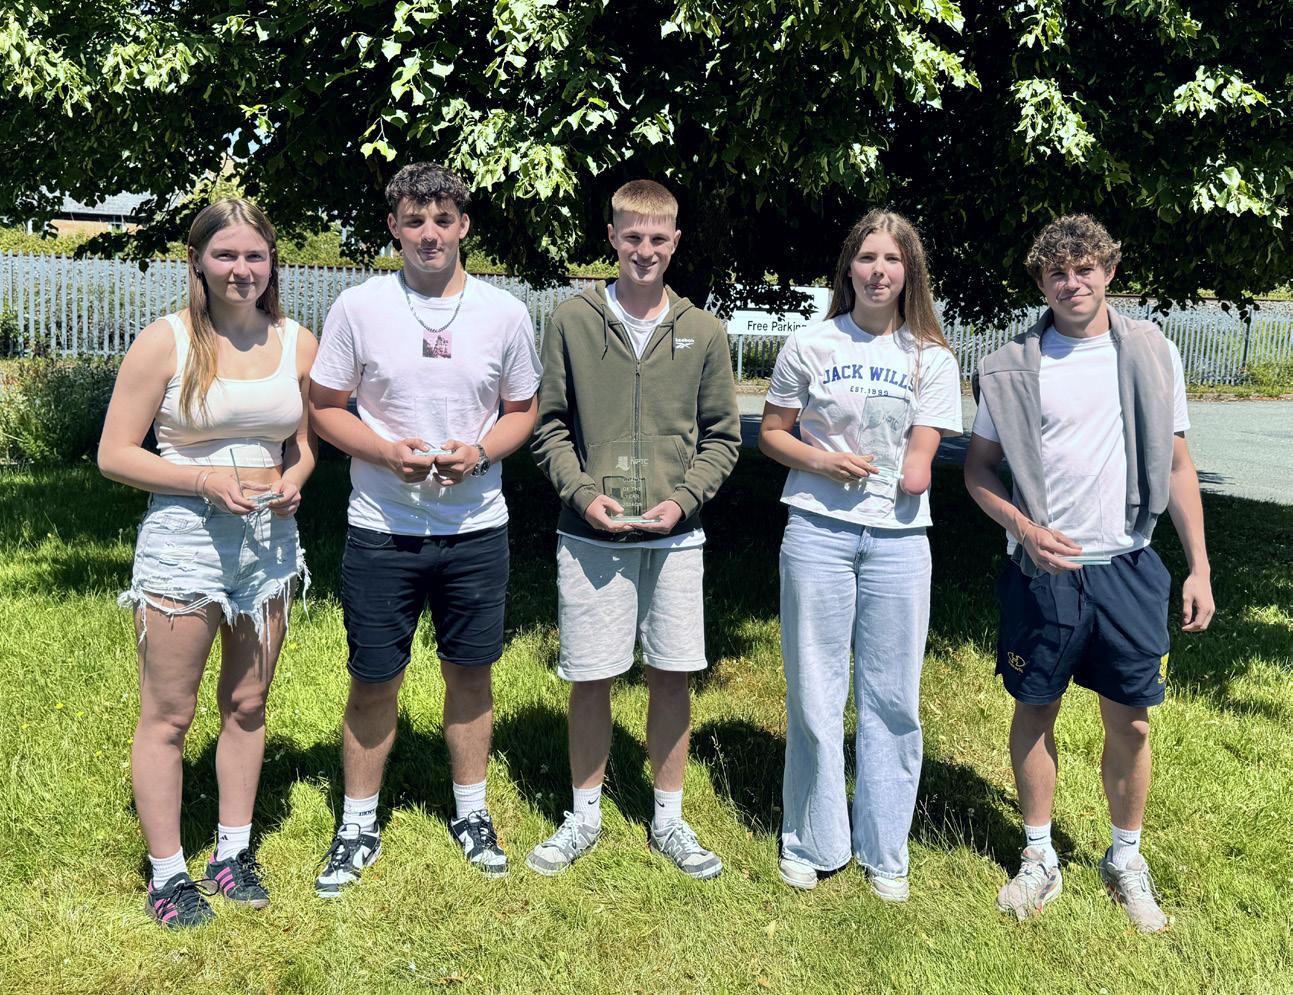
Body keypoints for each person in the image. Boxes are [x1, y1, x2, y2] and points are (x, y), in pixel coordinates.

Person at [963, 214, 1214, 932]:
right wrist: (1022, 528)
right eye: (1056, 272)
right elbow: (978, 471)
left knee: (1130, 721)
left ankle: (1124, 858)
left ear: (1108, 270)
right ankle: (1038, 854)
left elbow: (1176, 464)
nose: (1071, 282)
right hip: (1042, 569)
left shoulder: (1151, 351)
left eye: (1084, 268)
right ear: (1040, 283)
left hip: (1127, 564)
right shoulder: (1009, 367)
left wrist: (1199, 566)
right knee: (1034, 708)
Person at [307, 162, 541, 894]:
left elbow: (523, 410)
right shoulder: (359, 306)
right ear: (393, 228)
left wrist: (482, 453)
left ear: (464, 225)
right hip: (382, 526)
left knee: (470, 674)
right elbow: (324, 405)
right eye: (414, 221)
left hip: (476, 527)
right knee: (373, 677)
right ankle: (357, 822)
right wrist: (384, 452)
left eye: (443, 220)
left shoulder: (504, 313)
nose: (429, 234)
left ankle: (471, 811)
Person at [98, 198, 317, 928]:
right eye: (225, 255)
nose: (240, 269)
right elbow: (114, 454)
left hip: (269, 546)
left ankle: (232, 851)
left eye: (254, 255)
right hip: (184, 542)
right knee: (170, 713)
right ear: (196, 260)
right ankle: (167, 875)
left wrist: (294, 479)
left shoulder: (297, 342)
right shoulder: (164, 342)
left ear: (272, 262)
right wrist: (201, 479)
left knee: (248, 704)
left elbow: (302, 445)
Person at [528, 179, 740, 878]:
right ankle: (583, 815)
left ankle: (669, 818)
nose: (644, 250)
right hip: (591, 533)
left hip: (675, 537)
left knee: (671, 675)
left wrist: (684, 500)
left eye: (657, 238)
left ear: (675, 242)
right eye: (632, 237)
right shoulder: (571, 320)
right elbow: (549, 427)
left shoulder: (704, 331)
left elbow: (723, 437)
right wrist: (582, 494)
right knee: (591, 675)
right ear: (612, 239)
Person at [758, 210, 962, 900]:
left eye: (892, 259)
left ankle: (884, 850)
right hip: (817, 531)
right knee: (814, 691)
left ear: (909, 272)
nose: (879, 271)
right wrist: (820, 461)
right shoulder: (811, 343)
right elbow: (773, 433)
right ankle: (811, 840)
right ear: (849, 267)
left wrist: (918, 466)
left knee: (893, 698)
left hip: (899, 540)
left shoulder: (931, 356)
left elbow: (925, 444)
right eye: (868, 257)